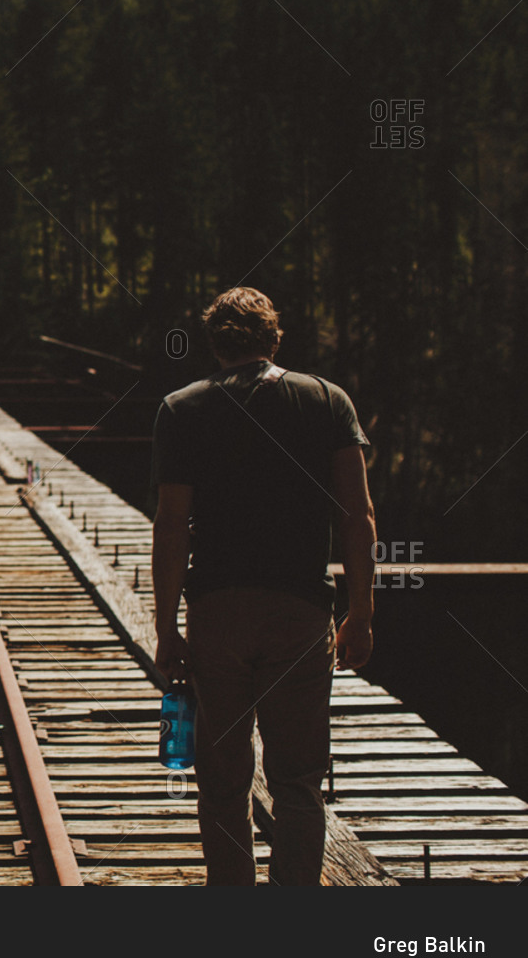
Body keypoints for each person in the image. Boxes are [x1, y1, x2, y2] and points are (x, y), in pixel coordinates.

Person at [150, 286, 375, 886]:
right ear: (276, 339)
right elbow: (357, 516)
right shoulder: (327, 401)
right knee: (298, 780)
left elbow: (172, 525)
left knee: (222, 776)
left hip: (217, 613)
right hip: (300, 611)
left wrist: (166, 625)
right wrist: (361, 612)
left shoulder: (181, 408)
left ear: (215, 344)